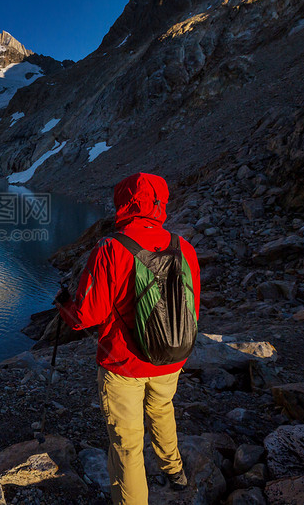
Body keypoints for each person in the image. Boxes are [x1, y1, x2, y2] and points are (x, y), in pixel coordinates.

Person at [55, 172, 201, 505]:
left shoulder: (111, 248)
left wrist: (64, 305)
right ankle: (174, 471)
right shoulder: (185, 248)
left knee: (127, 444)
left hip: (124, 365)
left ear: (124, 203)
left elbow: (85, 316)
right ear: (160, 204)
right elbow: (192, 309)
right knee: (163, 410)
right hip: (172, 357)